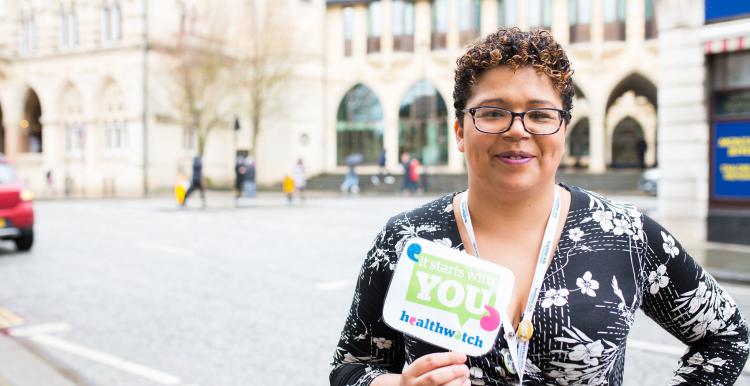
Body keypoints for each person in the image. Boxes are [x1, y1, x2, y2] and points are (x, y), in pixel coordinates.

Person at [330, 28, 749, 386]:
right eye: (493, 113)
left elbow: (728, 336)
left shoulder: (625, 233)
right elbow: (350, 367)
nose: (517, 130)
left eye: (540, 114)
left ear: (563, 129)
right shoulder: (405, 240)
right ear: (459, 130)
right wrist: (396, 384)